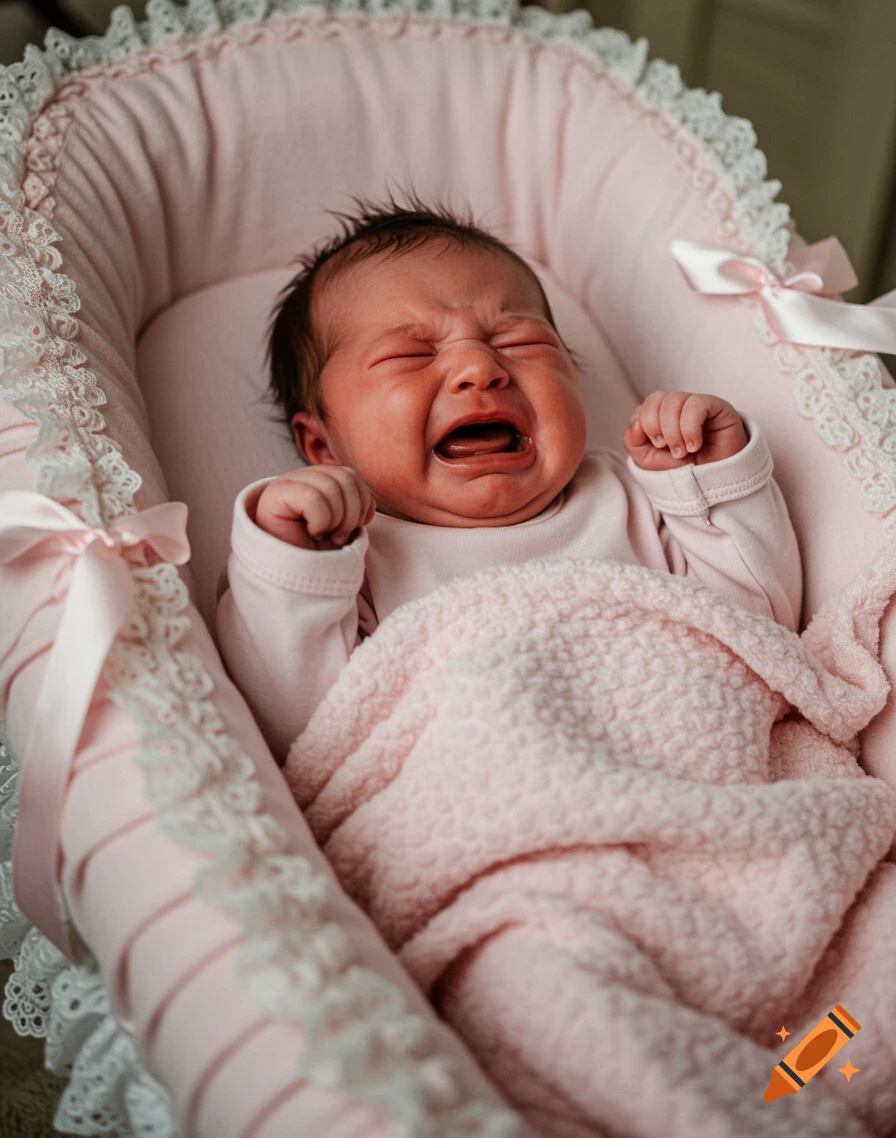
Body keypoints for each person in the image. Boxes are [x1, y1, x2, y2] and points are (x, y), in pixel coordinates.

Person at [216, 199, 802, 762]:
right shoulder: (354, 562)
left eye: (520, 343)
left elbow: (760, 632)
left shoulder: (632, 497)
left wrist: (713, 480)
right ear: (322, 446)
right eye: (410, 355)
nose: (479, 367)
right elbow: (305, 728)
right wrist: (292, 564)